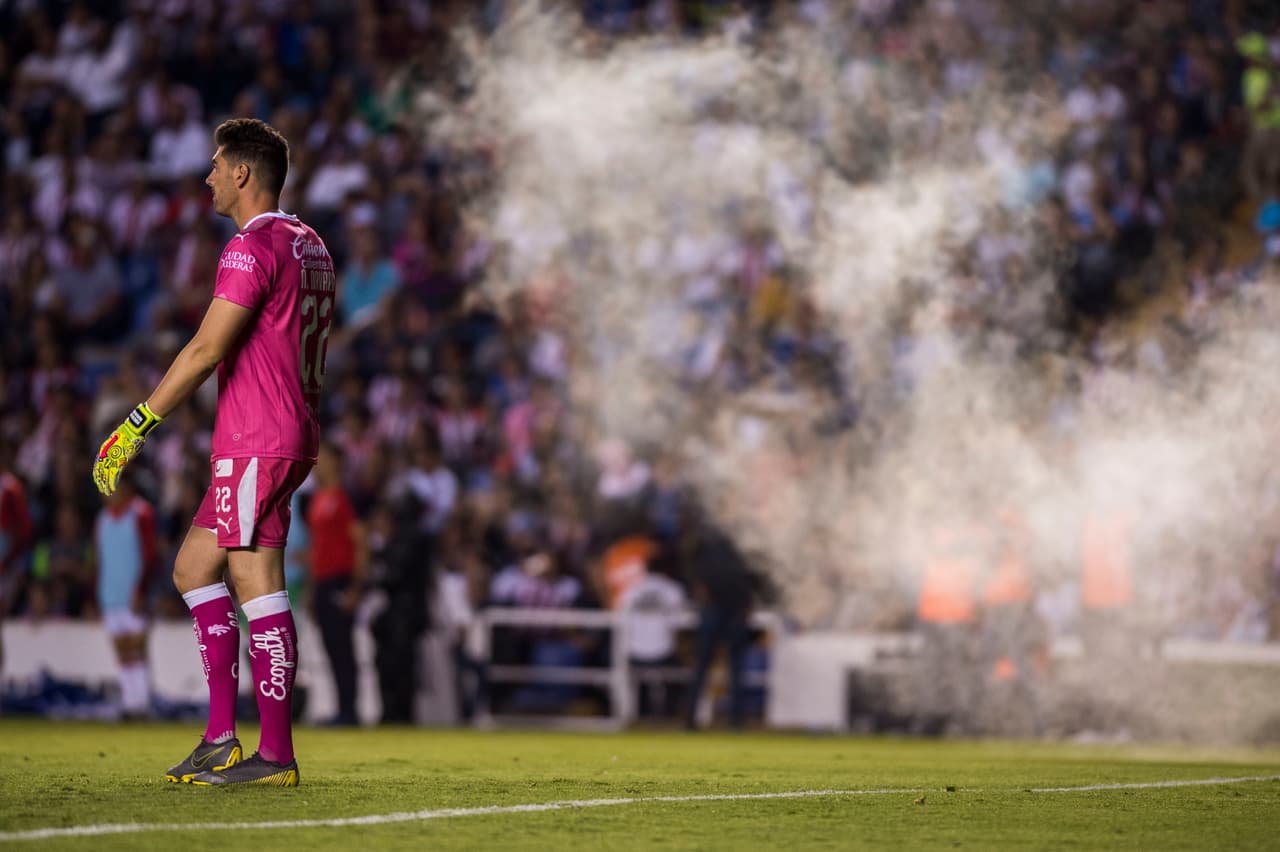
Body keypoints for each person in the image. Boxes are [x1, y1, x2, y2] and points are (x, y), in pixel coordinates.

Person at [92, 118, 336, 787]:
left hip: (258, 437)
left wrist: (135, 425)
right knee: (195, 568)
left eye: (215, 165)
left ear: (242, 174)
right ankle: (221, 735)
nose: (207, 177)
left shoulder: (249, 249)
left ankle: (276, 752)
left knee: (258, 586)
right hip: (282, 431)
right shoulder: (309, 243)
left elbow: (206, 348)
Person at [304, 441, 366, 726]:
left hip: (341, 581)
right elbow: (318, 547)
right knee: (331, 646)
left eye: (324, 459)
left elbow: (361, 542)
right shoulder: (318, 499)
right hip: (323, 582)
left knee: (343, 647)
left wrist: (356, 586)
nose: (318, 464)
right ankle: (341, 707)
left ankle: (350, 711)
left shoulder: (345, 498)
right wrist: (311, 589)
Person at [93, 474, 157, 719]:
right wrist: (97, 595)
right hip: (110, 594)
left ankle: (142, 702)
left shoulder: (141, 513)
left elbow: (150, 555)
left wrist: (140, 589)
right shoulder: (102, 519)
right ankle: (130, 703)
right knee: (121, 650)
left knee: (137, 649)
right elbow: (100, 560)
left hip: (133, 594)